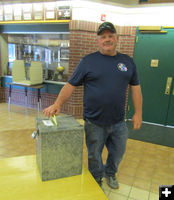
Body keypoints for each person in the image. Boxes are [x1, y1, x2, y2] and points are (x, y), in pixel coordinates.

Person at [43, 22, 142, 189]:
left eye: (110, 36)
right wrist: (57, 103)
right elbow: (70, 85)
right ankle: (96, 179)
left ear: (117, 38)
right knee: (94, 155)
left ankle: (110, 173)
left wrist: (138, 112)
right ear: (98, 40)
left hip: (118, 122)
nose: (107, 39)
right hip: (94, 122)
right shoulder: (88, 61)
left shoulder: (128, 62)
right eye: (103, 37)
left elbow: (136, 88)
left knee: (118, 153)